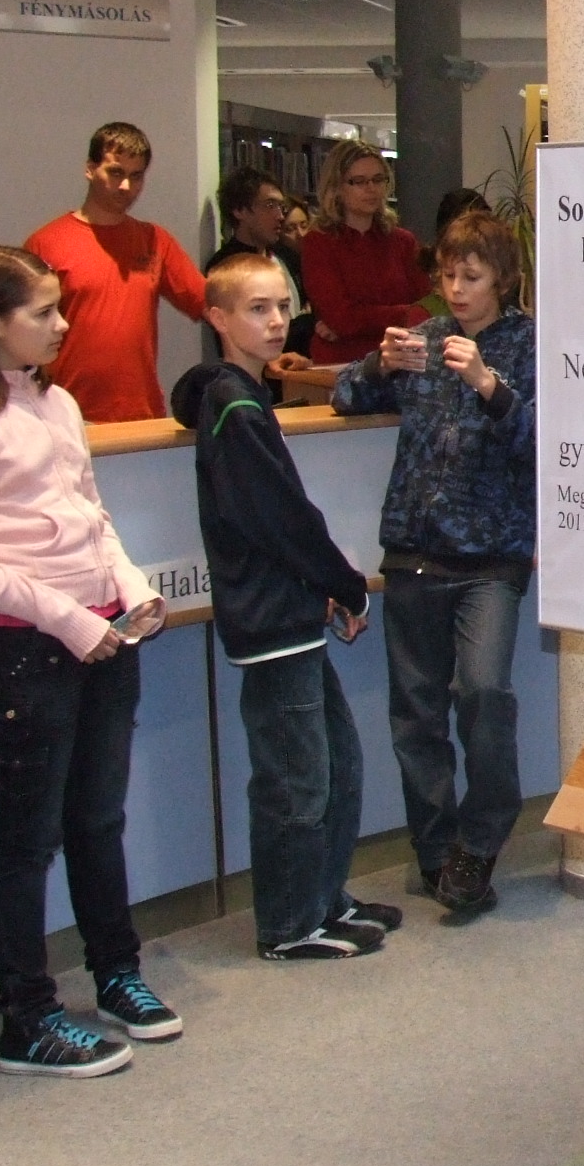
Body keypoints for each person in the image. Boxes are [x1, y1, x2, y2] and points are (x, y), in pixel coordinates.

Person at [0, 245, 179, 1078]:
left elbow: (91, 516)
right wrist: (68, 619)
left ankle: (117, 975)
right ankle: (25, 1019)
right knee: (27, 840)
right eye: (42, 312)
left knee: (97, 820)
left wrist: (131, 588)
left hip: (101, 636)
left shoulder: (59, 403)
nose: (62, 325)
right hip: (27, 650)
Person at [172, 252, 396, 960]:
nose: (275, 322)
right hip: (270, 618)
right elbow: (279, 518)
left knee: (337, 765)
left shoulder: (242, 395)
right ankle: (289, 924)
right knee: (297, 780)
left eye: (281, 306)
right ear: (218, 318)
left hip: (290, 611)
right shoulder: (234, 406)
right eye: (256, 309)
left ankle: (323, 898)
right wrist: (343, 580)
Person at [332, 210, 535, 914]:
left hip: (492, 556)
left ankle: (480, 840)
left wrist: (489, 384)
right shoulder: (424, 336)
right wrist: (378, 365)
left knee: (482, 692)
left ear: (502, 279)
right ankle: (437, 851)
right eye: (447, 275)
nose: (455, 289)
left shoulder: (528, 345)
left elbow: (546, 442)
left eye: (471, 276)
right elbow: (345, 394)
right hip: (414, 550)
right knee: (415, 713)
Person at [24, 122, 208, 423]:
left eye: (136, 176)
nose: (125, 186)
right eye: (115, 172)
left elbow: (212, 304)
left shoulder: (155, 240)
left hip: (141, 413)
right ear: (90, 169)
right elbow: (20, 333)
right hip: (66, 414)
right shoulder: (46, 243)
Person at [301, 141, 425, 367]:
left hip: (401, 361)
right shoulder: (319, 243)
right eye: (359, 181)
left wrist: (357, 322)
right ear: (337, 187)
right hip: (343, 364)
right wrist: (406, 314)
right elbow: (342, 319)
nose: (371, 188)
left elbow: (428, 308)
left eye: (378, 179)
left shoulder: (403, 241)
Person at [212, 166, 315, 363]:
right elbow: (241, 338)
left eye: (280, 207)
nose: (280, 216)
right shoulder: (227, 267)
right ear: (240, 210)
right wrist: (307, 323)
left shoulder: (288, 256)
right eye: (269, 205)